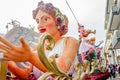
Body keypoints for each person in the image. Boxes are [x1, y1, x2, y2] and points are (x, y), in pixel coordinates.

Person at [0, 1, 78, 79]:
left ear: (58, 22)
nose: (39, 25)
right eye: (37, 21)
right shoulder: (36, 46)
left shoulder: (70, 41)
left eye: (46, 19)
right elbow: (24, 73)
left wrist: (30, 56)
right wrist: (6, 56)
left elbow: (61, 70)